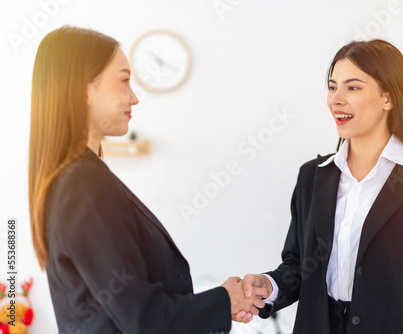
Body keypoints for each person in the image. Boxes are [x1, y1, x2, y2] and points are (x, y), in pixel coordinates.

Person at [29, 26, 266, 333]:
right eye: (125, 80)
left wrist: (221, 301)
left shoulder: (78, 179)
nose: (134, 98)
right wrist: (224, 300)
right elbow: (145, 320)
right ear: (83, 89)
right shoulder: (84, 185)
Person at [238, 39, 403, 333]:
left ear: (388, 97)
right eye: (333, 87)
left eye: (353, 87)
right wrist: (267, 285)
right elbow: (298, 266)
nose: (336, 98)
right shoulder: (312, 176)